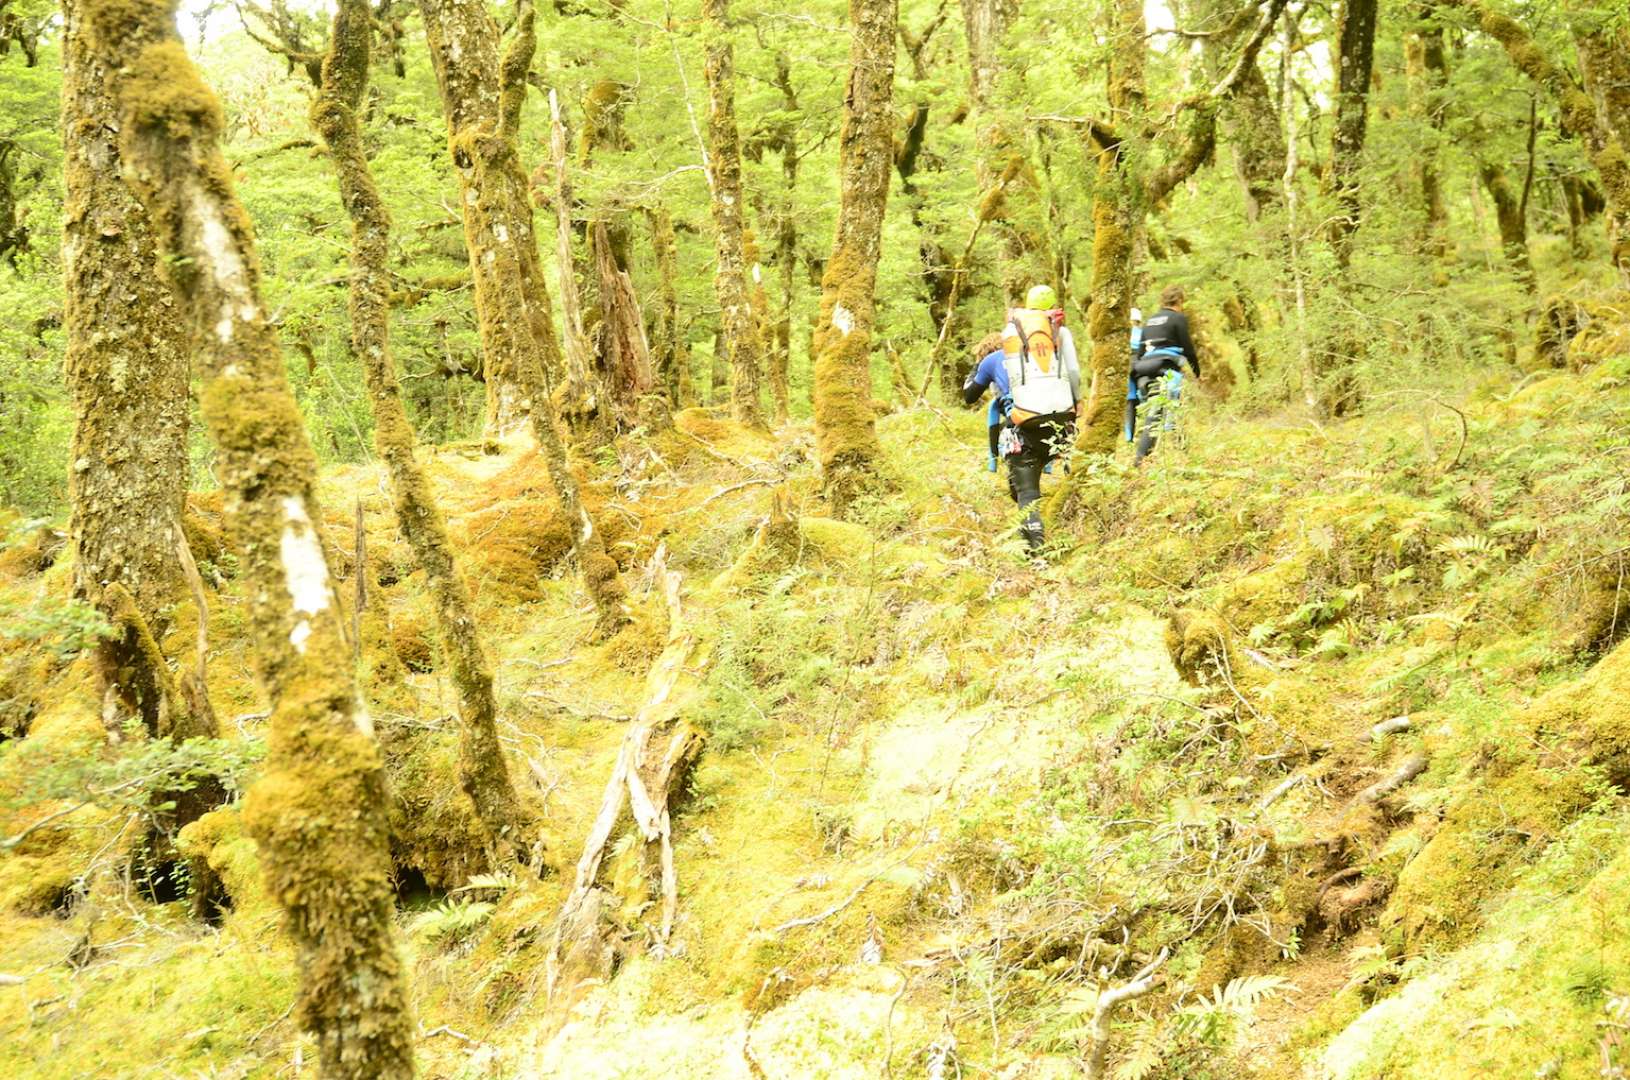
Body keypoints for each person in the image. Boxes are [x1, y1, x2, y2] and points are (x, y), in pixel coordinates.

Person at [963, 284, 1082, 552]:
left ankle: (1035, 547)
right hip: (1061, 421)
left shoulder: (995, 358)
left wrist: (977, 367)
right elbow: (1073, 373)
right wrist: (1078, 402)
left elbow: (969, 396)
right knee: (1036, 472)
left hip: (1024, 425)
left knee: (1026, 491)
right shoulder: (1058, 336)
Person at [1129, 284, 1200, 463]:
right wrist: (1197, 371)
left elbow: (1140, 353)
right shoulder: (1178, 318)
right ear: (1179, 300)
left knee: (1153, 414)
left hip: (1144, 372)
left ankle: (1145, 458)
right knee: (1172, 412)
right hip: (1166, 371)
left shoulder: (1150, 320)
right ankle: (1179, 455)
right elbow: (1188, 348)